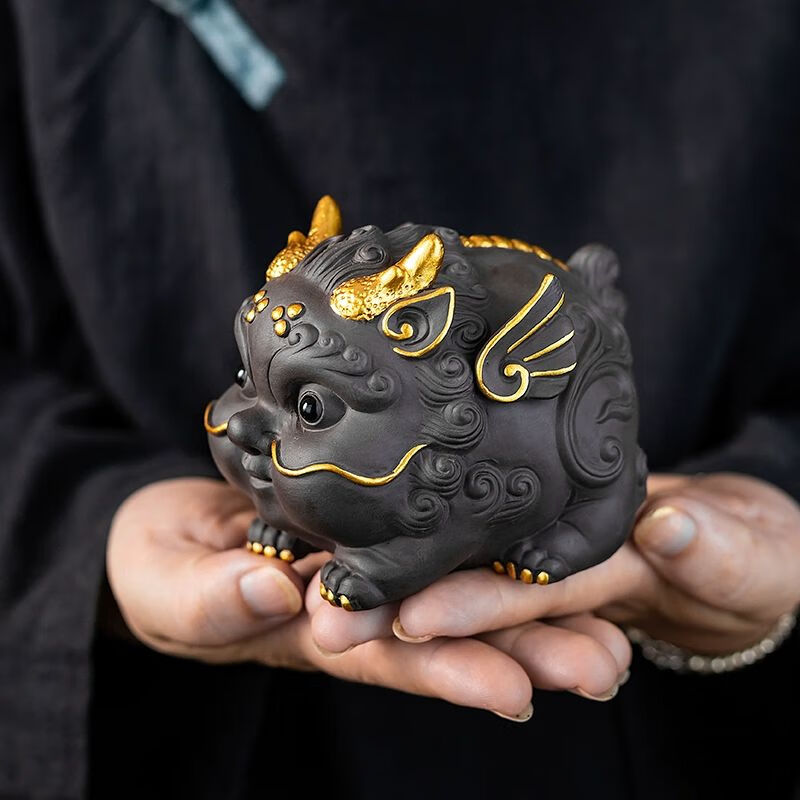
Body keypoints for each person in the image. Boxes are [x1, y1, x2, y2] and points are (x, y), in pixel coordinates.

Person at [1, 1, 798, 798]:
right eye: (247, 382)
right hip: (196, 735)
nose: (242, 424)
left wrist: (779, 487)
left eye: (309, 408)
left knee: (590, 464)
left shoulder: (449, 461)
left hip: (644, 746)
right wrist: (86, 520)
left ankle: (593, 513)